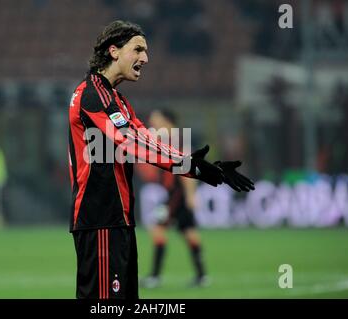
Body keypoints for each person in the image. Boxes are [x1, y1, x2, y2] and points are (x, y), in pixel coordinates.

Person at [67, 20, 254, 300]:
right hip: (101, 219)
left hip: (117, 219)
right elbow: (132, 141)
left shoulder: (116, 99)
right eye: (138, 49)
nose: (146, 58)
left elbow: (150, 140)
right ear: (114, 51)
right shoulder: (94, 94)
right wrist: (194, 167)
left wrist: (204, 168)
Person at [138, 109, 209, 288]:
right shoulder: (166, 140)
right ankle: (202, 276)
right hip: (175, 194)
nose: (152, 122)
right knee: (189, 233)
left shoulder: (176, 140)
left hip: (176, 194)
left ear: (167, 121)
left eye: (155, 119)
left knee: (158, 229)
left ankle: (154, 277)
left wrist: (191, 194)